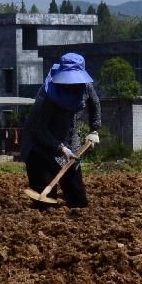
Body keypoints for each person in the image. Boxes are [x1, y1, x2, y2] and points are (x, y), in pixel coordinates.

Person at [19, 50, 101, 209]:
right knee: (45, 202)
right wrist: (61, 148)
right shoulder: (47, 96)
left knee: (78, 199)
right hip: (40, 149)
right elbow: (38, 128)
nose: (71, 85)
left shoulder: (85, 88)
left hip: (70, 146)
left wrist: (94, 129)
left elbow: (95, 104)